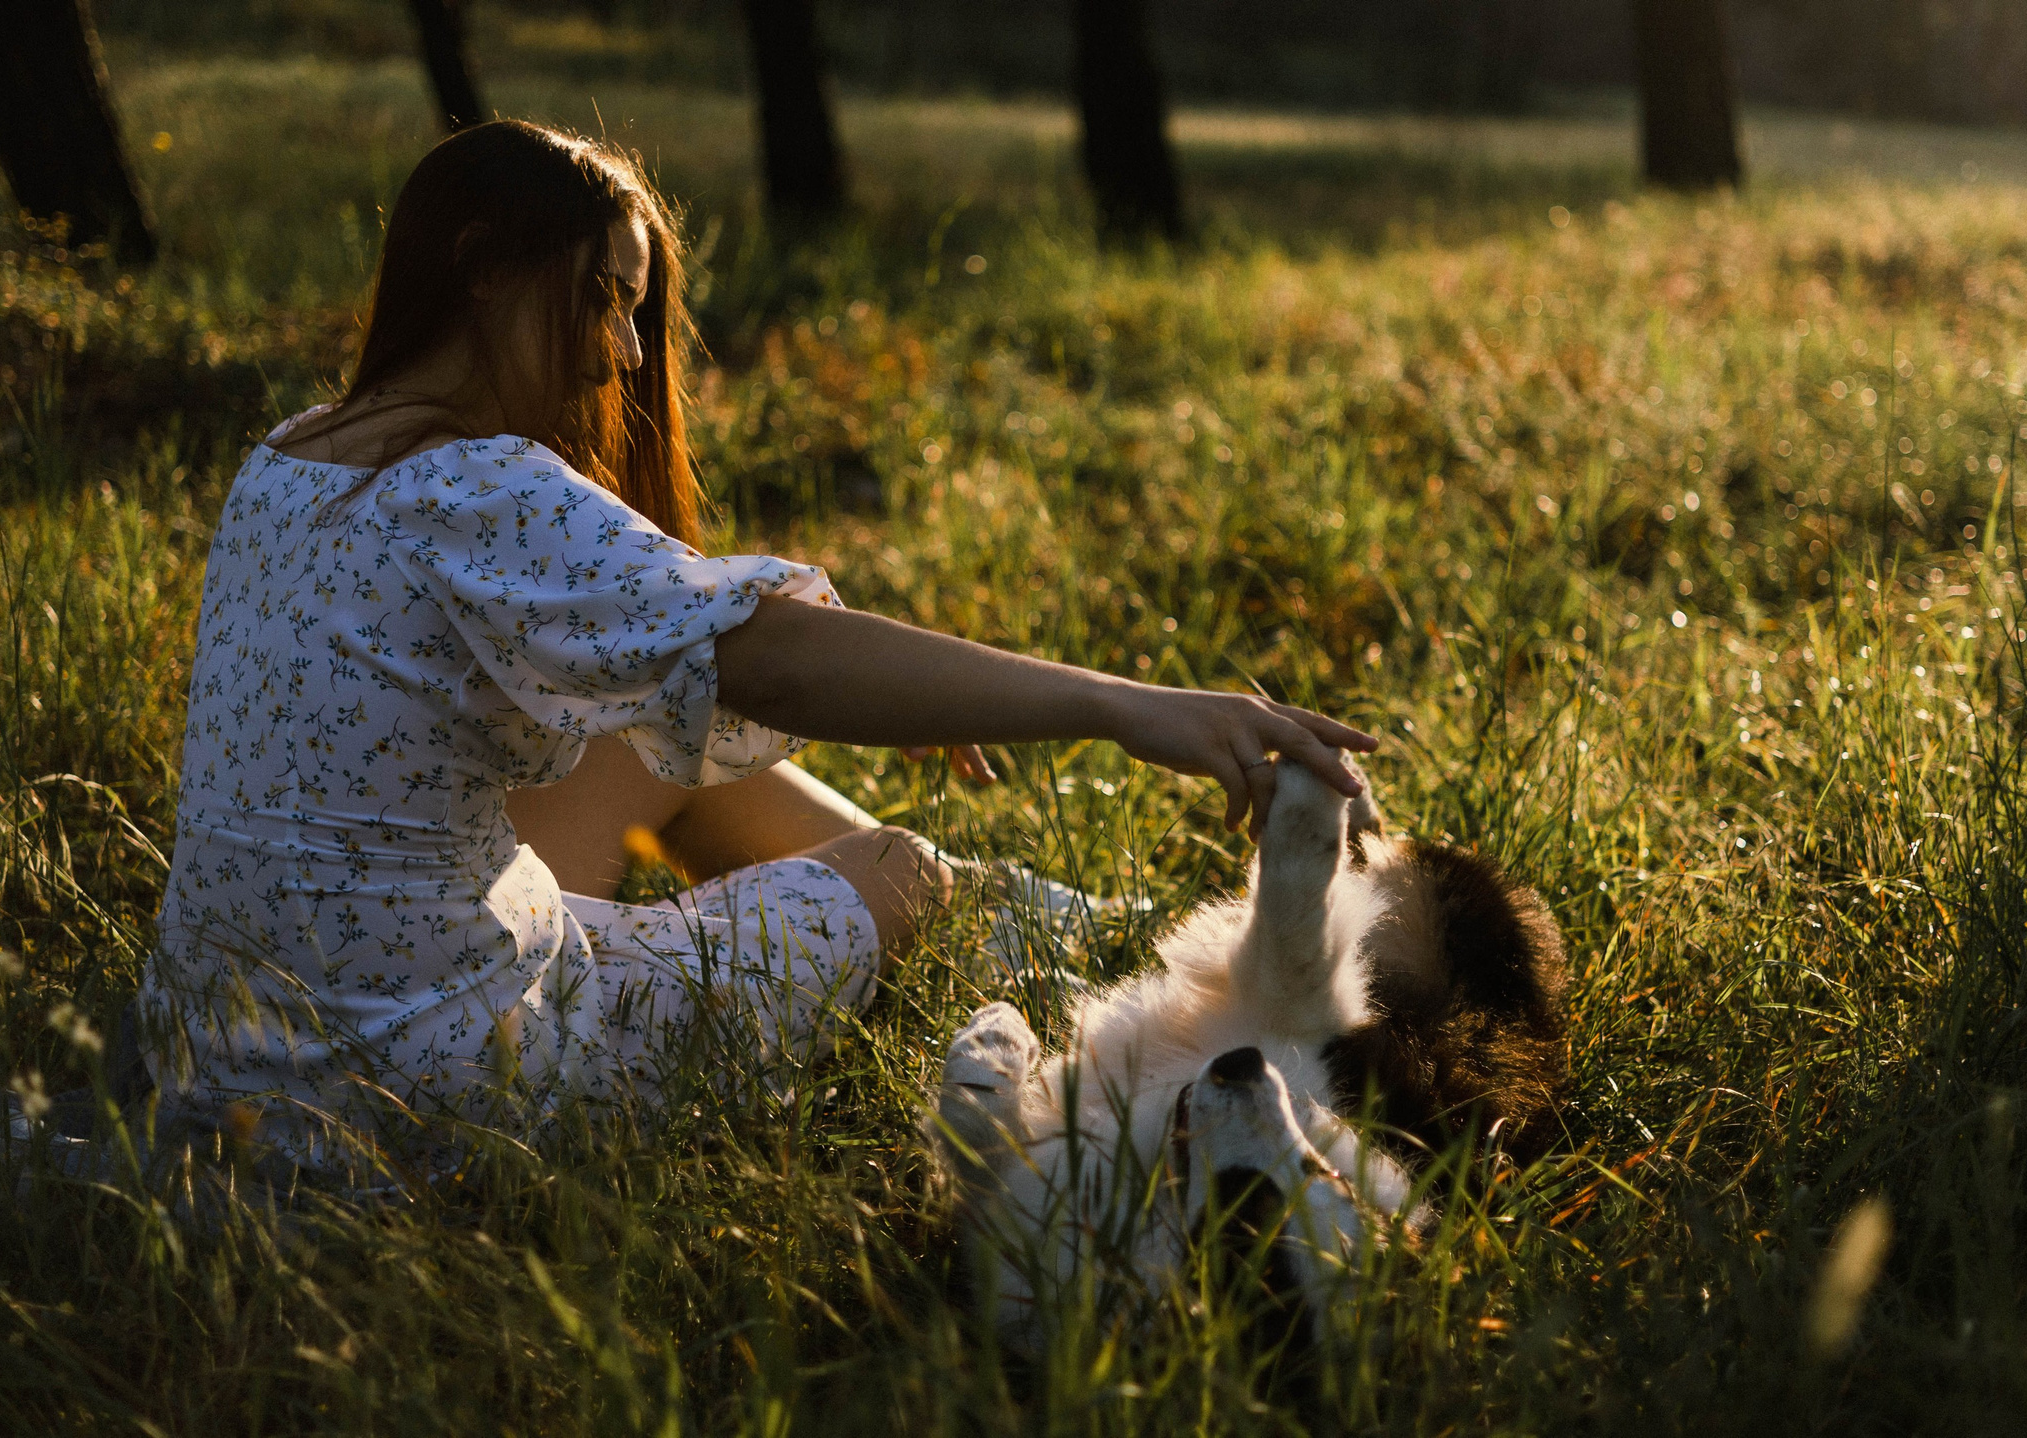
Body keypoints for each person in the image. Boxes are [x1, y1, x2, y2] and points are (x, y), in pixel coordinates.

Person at [136, 120, 1374, 1165]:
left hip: (224, 1056)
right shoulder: (474, 485)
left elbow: (678, 663)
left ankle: (1066, 925)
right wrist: (1124, 704)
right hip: (430, 1088)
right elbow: (763, 652)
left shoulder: (295, 453)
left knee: (644, 746)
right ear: (478, 269)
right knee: (897, 869)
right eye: (603, 302)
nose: (623, 352)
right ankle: (1053, 928)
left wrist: (900, 688)